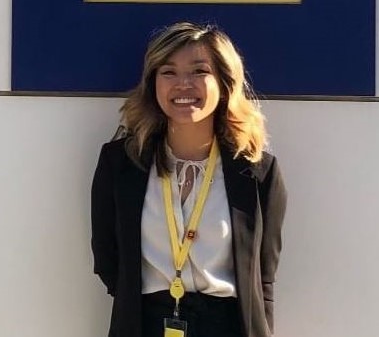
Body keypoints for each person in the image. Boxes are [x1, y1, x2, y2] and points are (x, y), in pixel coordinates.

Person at [90, 22, 287, 337]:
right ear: (153, 83)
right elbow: (108, 260)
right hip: (147, 324)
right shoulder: (121, 164)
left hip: (226, 325)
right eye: (168, 72)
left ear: (224, 82)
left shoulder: (257, 172)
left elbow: (262, 279)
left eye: (199, 72)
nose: (183, 84)